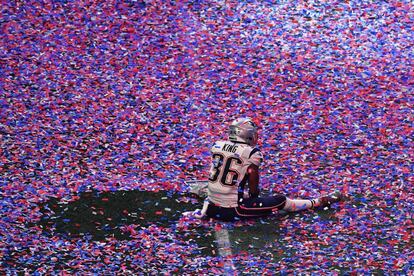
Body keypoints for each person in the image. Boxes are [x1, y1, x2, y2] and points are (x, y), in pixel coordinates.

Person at [186, 117, 343, 221]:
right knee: (280, 200)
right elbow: (252, 174)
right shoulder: (251, 153)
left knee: (240, 192)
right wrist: (254, 195)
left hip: (211, 205)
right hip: (233, 210)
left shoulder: (217, 145)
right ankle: (318, 202)